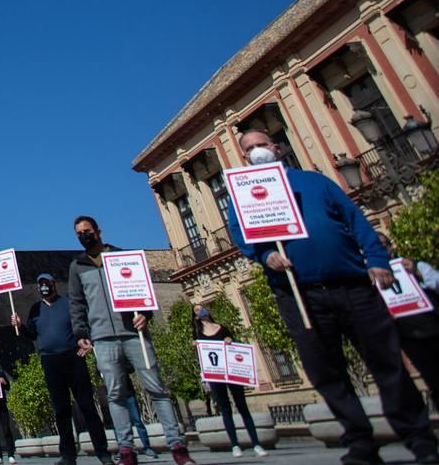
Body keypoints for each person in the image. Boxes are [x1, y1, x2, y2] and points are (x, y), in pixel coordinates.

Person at [230, 131, 439, 465]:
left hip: (352, 285)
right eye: (249, 148)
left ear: (277, 147)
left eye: (261, 144)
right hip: (298, 293)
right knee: (325, 371)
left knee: (387, 363)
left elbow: (355, 219)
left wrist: (377, 259)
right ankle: (359, 442)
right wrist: (265, 254)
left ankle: (419, 438)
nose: (257, 151)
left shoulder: (315, 182)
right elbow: (242, 236)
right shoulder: (241, 195)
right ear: (244, 158)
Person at [68, 215, 193, 465]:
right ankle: (126, 449)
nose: (84, 236)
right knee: (115, 394)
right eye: (79, 233)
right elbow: (77, 303)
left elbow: (142, 291)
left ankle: (177, 445)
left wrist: (146, 315)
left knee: (157, 389)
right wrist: (81, 333)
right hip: (102, 338)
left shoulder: (122, 258)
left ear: (98, 231)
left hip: (133, 334)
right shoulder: (77, 266)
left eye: (87, 231)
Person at [13, 272, 111, 465]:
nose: (44, 287)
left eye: (47, 283)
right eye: (40, 284)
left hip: (73, 357)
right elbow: (32, 335)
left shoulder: (68, 304)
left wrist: (88, 341)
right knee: (61, 410)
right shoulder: (35, 309)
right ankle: (68, 455)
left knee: (87, 406)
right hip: (50, 361)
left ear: (54, 284)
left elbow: (84, 323)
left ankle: (103, 452)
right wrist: (20, 326)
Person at [192, 306, 264, 457]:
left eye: (202, 308)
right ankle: (235, 445)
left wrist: (230, 340)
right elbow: (201, 355)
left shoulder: (222, 328)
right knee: (225, 409)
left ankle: (256, 443)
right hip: (216, 375)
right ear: (196, 316)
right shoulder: (198, 332)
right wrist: (195, 347)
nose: (201, 311)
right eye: (197, 310)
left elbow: (234, 346)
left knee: (242, 406)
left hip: (231, 372)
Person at [379, 236, 439, 399]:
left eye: (384, 247)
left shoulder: (415, 266)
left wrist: (417, 273)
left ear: (391, 247)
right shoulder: (374, 281)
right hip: (410, 337)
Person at [116, 363, 156, 459]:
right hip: (116, 395)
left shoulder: (121, 355)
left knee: (137, 420)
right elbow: (99, 371)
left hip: (128, 392)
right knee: (118, 424)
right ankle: (123, 449)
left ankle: (147, 447)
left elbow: (131, 367)